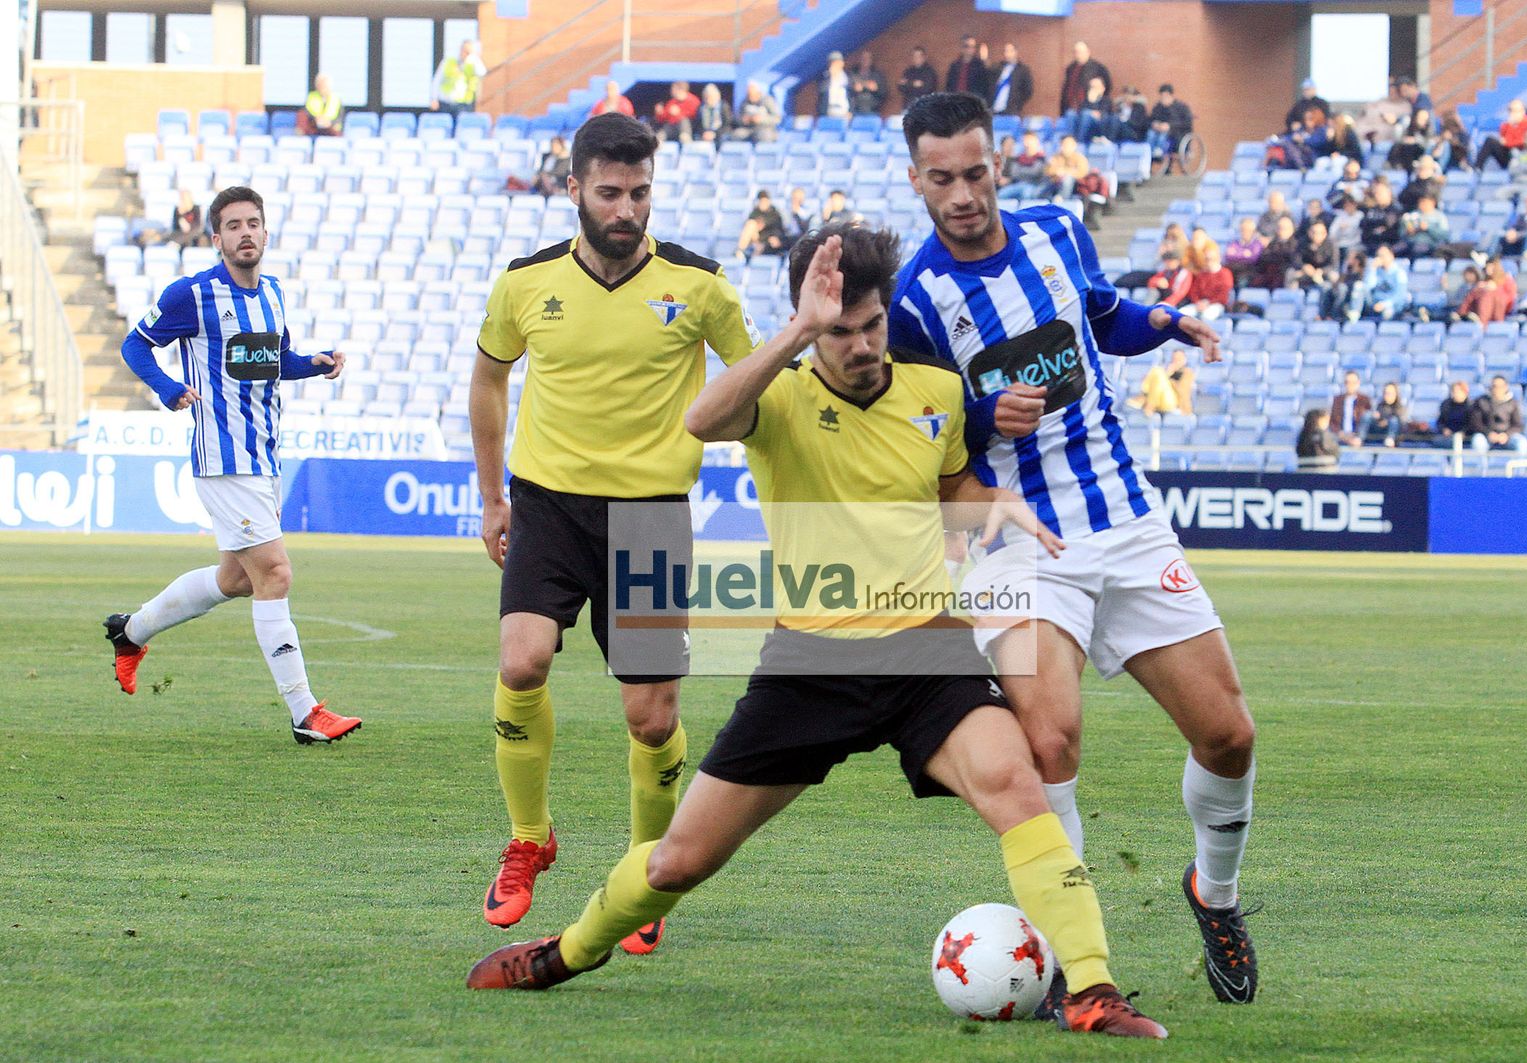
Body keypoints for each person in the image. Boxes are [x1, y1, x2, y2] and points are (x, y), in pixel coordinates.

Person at [467, 224, 1169, 1041]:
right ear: (810, 326)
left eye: (871, 324)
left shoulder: (935, 393)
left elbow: (952, 490)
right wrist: (798, 332)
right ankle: (570, 949)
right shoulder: (779, 399)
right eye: (840, 331)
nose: (863, 344)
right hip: (809, 664)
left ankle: (1091, 987)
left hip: (927, 653)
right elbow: (701, 418)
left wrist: (994, 507)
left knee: (1017, 784)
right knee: (676, 862)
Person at [886, 92, 1259, 1009]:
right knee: (1049, 736)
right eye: (943, 178)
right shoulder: (914, 300)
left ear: (997, 163)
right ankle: (1070, 957)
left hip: (1124, 518)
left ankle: (1214, 893)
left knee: (1229, 734)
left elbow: (1102, 316)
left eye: (976, 172)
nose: (964, 193)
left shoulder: (1057, 229)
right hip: (1018, 537)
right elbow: (918, 430)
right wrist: (979, 415)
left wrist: (1164, 322)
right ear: (916, 180)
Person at [468, 113, 760, 939]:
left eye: (639, 192)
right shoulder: (525, 284)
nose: (626, 208)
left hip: (651, 517)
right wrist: (494, 498)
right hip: (547, 506)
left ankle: (646, 870)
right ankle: (530, 838)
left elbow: (754, 383)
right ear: (573, 191)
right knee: (521, 661)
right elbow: (488, 382)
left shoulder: (700, 285)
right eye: (609, 192)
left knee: (652, 719)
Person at [107, 185, 356, 746]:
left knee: (236, 579)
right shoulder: (191, 295)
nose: (246, 233)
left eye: (254, 223)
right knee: (275, 572)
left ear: (265, 233)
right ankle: (304, 711)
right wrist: (169, 389)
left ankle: (131, 632)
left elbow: (271, 363)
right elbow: (134, 346)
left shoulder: (271, 294)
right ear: (216, 238)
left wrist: (311, 364)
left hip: (263, 454)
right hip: (222, 456)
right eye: (234, 226)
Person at [1469, 376, 1527, 454]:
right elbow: (1476, 423)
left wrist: (1506, 435)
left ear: (1505, 387)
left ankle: (1519, 466)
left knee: (1521, 442)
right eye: (1494, 386)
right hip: (1486, 435)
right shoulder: (1481, 402)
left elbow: (1517, 425)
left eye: (1499, 387)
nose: (1496, 389)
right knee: (1478, 441)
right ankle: (1481, 466)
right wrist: (1488, 433)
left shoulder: (1513, 403)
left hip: (1507, 436)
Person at [430, 38, 486, 117]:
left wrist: (474, 57)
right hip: (445, 103)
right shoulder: (449, 61)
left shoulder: (473, 63)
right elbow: (437, 80)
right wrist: (434, 98)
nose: (466, 53)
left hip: (463, 105)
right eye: (465, 50)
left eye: (468, 51)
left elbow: (482, 73)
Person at [1127, 349, 1195, 414]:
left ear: (1184, 360)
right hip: (1160, 400)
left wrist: (1168, 378)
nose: (1176, 361)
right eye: (1174, 359)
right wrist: (1167, 374)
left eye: (1179, 359)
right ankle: (1149, 404)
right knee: (1157, 370)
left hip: (1174, 403)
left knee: (1158, 372)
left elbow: (1183, 392)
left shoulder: (1187, 373)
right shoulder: (1166, 371)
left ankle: (1146, 403)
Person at [1058, 40, 1109, 115]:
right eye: (1076, 52)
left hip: (1089, 107)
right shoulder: (1070, 68)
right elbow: (1067, 87)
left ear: (1088, 52)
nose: (1078, 55)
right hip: (1070, 106)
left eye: (1081, 52)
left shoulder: (1098, 68)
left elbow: (1107, 86)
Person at [1146, 83, 1193, 161]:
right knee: (1150, 134)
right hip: (1158, 131)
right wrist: (1155, 124)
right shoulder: (1158, 107)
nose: (1164, 98)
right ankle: (1150, 153)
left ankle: (1160, 151)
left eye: (1166, 96)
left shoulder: (1181, 107)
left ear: (1171, 95)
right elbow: (1151, 119)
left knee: (1164, 135)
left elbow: (1187, 122)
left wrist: (1170, 126)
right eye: (1162, 96)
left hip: (1176, 133)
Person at [997, 131, 1049, 201]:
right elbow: (1014, 173)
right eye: (1025, 140)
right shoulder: (1019, 157)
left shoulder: (1041, 158)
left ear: (1036, 141)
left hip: (1033, 185)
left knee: (1026, 194)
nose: (1027, 143)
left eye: (1029, 140)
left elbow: (1035, 172)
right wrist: (1028, 170)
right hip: (1018, 184)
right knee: (1002, 194)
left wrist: (1022, 170)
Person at [1363, 244, 1410, 320]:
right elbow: (1368, 287)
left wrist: (1384, 305)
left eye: (1383, 255)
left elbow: (1400, 295)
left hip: (1391, 306)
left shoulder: (1400, 273)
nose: (1381, 258)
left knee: (1387, 313)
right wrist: (1372, 269)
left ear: (1391, 256)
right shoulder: (1375, 272)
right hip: (1375, 304)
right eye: (1379, 256)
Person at [1186, 246, 1234, 320]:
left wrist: (1208, 302)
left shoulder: (1225, 273)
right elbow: (1193, 291)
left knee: (1207, 316)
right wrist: (1197, 302)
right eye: (1206, 259)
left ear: (1218, 259)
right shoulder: (1201, 274)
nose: (1208, 262)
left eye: (1211, 259)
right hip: (1198, 304)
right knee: (1182, 314)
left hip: (1216, 304)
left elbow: (1224, 294)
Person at [1395, 194, 1448, 259]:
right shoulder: (1412, 215)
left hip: (1430, 244)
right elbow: (1401, 233)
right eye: (1420, 202)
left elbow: (1444, 235)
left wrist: (1428, 228)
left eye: (1425, 202)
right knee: (1396, 249)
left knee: (1418, 250)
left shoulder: (1439, 217)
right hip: (1410, 242)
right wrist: (1408, 231)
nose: (1422, 204)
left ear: (1432, 202)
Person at [1253, 216, 1299, 290]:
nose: (1282, 231)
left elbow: (1294, 261)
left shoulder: (1296, 244)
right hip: (1269, 273)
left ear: (1292, 229)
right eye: (1280, 228)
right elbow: (1264, 258)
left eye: (1285, 228)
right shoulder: (1273, 243)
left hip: (1284, 274)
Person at [736, 189, 785, 258]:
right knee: (751, 224)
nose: (763, 204)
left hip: (769, 241)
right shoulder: (755, 212)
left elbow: (779, 230)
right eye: (761, 201)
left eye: (764, 201)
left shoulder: (775, 214)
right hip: (756, 240)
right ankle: (740, 250)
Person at [989, 42, 1034, 117]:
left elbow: (1028, 91)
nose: (1007, 54)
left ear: (1016, 52)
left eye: (1010, 51)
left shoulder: (1023, 70)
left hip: (1012, 111)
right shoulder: (998, 67)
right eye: (1006, 51)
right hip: (995, 110)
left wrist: (1017, 104)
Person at [1322, 248, 1367, 321]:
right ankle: (1324, 315)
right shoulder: (1346, 270)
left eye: (1350, 258)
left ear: (1357, 260)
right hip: (1347, 297)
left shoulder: (1364, 270)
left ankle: (1353, 314)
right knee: (1329, 287)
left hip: (1361, 299)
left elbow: (1366, 286)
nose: (1347, 260)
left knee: (1357, 287)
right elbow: (1340, 283)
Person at [1330, 370, 1373, 445]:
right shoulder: (1337, 400)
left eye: (1353, 383)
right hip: (1340, 436)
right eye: (1347, 382)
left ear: (1358, 383)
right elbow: (1332, 421)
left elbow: (1367, 421)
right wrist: (1340, 433)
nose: (1350, 385)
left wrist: (1357, 435)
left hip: (1357, 436)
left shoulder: (1364, 400)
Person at [1224, 217, 1265, 287]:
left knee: (1243, 281)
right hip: (1233, 269)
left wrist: (1237, 253)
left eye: (1248, 230)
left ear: (1253, 231)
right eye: (1243, 229)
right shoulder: (1234, 243)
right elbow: (1228, 256)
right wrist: (1244, 253)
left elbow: (1253, 258)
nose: (1245, 232)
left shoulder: (1257, 244)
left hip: (1248, 271)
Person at [298, 73, 342, 137]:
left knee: (336, 130)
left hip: (330, 129)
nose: (322, 87)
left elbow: (340, 118)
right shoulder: (311, 97)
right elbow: (306, 112)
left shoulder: (336, 99)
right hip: (314, 127)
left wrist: (329, 122)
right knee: (301, 115)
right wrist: (315, 119)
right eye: (320, 85)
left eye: (324, 85)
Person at [1365, 382, 1406, 447]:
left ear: (1396, 394)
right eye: (1385, 393)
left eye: (1389, 393)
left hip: (1395, 435)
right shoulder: (1379, 406)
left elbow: (1401, 423)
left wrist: (1387, 421)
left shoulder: (1401, 408)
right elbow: (1379, 421)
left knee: (1393, 420)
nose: (1386, 395)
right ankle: (1360, 439)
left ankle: (1390, 440)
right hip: (1380, 431)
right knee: (1367, 415)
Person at [899, 46, 939, 110]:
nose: (916, 58)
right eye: (914, 56)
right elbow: (901, 87)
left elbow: (927, 89)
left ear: (924, 57)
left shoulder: (930, 72)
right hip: (908, 106)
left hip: (924, 107)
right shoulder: (908, 71)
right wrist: (913, 84)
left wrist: (908, 84)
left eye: (919, 56)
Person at [1435, 379, 1474, 445]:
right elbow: (1440, 421)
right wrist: (1444, 429)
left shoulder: (1471, 406)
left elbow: (1472, 424)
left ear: (1465, 392)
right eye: (1453, 391)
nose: (1454, 394)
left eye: (1457, 391)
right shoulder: (1446, 404)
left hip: (1466, 436)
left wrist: (1463, 433)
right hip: (1448, 435)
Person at [848, 51, 887, 115]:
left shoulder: (877, 75)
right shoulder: (852, 73)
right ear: (859, 60)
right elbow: (845, 90)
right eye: (863, 59)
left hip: (873, 110)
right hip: (855, 109)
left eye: (868, 58)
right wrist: (853, 88)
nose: (865, 61)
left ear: (871, 60)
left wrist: (876, 89)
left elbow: (884, 92)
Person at [817, 50, 851, 118]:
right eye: (832, 63)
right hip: (828, 110)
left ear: (842, 63)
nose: (835, 65)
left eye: (837, 62)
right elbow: (821, 90)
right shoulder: (824, 76)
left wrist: (850, 111)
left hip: (843, 110)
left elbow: (851, 95)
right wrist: (831, 76)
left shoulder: (846, 77)